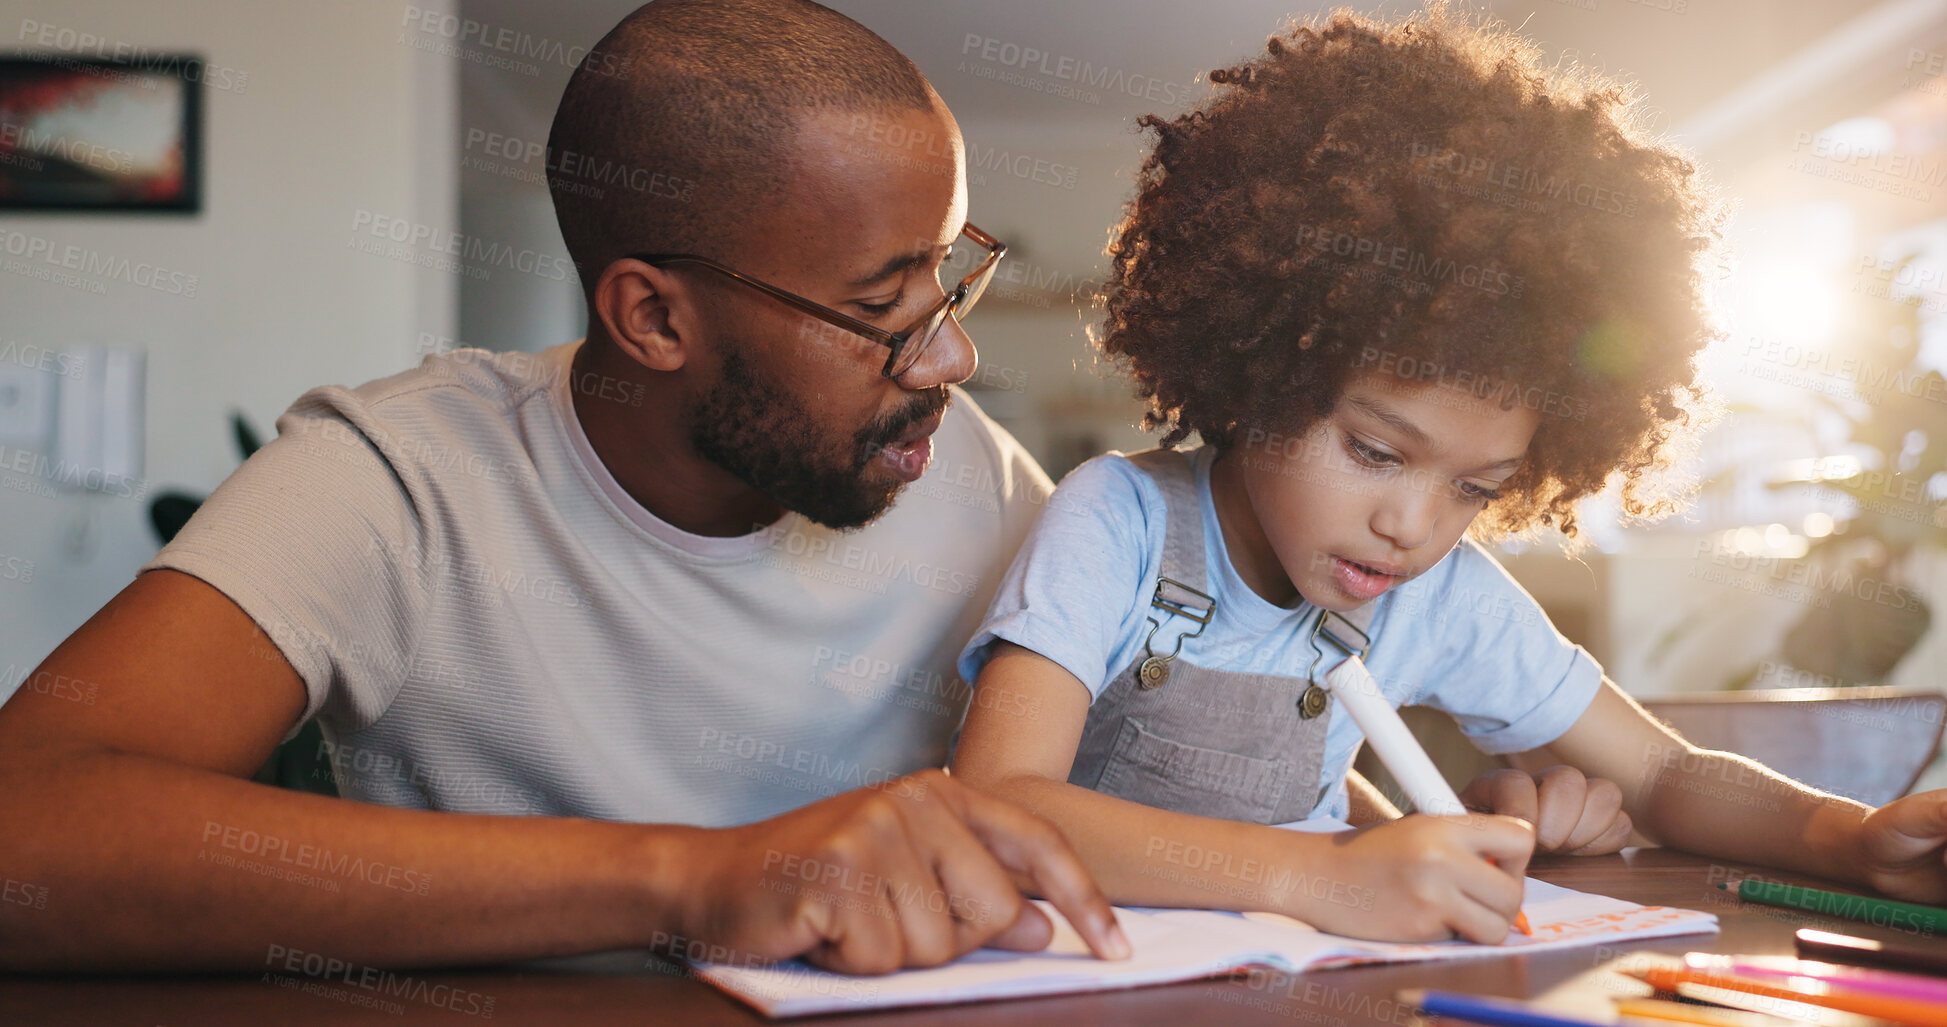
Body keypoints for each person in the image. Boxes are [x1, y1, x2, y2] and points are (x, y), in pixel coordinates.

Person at [0, 0, 1619, 975]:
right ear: (651, 313)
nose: (951, 363)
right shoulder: (394, 479)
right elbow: (32, 833)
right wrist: (694, 874)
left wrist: (1424, 842)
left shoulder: (973, 486)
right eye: (878, 310)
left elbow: (1164, 805)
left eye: (953, 281)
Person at [950, 5, 1947, 946]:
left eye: (1475, 487)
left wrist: (1849, 839)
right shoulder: (1119, 523)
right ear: (1258, 374)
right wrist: (1326, 874)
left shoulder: (1437, 595)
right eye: (1376, 452)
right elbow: (998, 802)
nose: (1414, 526)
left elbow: (1664, 770)